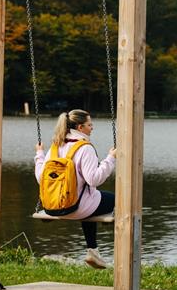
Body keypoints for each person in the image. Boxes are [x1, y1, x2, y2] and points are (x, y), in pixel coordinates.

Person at [34, 109, 117, 269]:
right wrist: (110, 159)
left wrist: (39, 154)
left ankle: (94, 251)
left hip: (52, 208)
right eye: (89, 124)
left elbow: (40, 178)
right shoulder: (85, 148)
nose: (92, 127)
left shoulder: (55, 147)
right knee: (119, 200)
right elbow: (94, 179)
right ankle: (102, 251)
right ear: (80, 128)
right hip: (78, 208)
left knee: (92, 198)